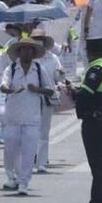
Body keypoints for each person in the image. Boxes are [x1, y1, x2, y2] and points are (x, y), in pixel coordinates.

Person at [0, 37, 55, 195]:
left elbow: (50, 90)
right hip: (13, 116)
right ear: (19, 52)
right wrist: (8, 89)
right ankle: (11, 177)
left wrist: (37, 89)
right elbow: (3, 85)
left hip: (32, 118)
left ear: (33, 52)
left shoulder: (38, 69)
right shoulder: (11, 69)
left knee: (29, 152)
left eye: (30, 50)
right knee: (10, 149)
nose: (26, 52)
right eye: (23, 49)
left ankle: (24, 182)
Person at [69, 39, 102, 203]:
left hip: (94, 120)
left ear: (90, 52)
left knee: (96, 164)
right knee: (99, 162)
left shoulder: (96, 69)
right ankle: (98, 199)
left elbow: (85, 96)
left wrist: (73, 93)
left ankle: (99, 201)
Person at [30, 29, 65, 173]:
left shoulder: (52, 58)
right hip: (30, 99)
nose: (38, 41)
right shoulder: (28, 58)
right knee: (30, 131)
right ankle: (30, 158)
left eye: (40, 39)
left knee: (44, 132)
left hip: (46, 98)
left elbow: (58, 78)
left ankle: (42, 162)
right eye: (35, 39)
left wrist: (61, 73)